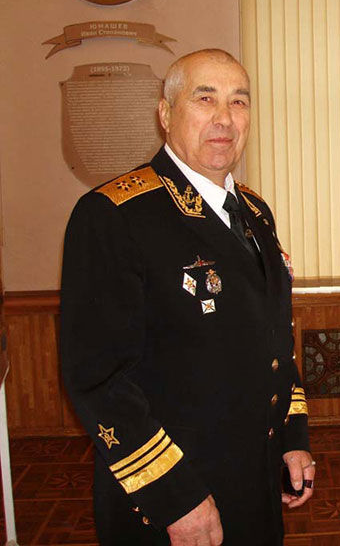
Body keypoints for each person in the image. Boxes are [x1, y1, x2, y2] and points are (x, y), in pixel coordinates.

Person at [60, 49, 314, 545]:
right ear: (165, 114)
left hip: (256, 477)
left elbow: (273, 341)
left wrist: (291, 437)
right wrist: (174, 496)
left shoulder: (255, 212)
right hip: (172, 496)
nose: (224, 118)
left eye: (238, 101)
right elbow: (98, 379)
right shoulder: (114, 216)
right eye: (205, 98)